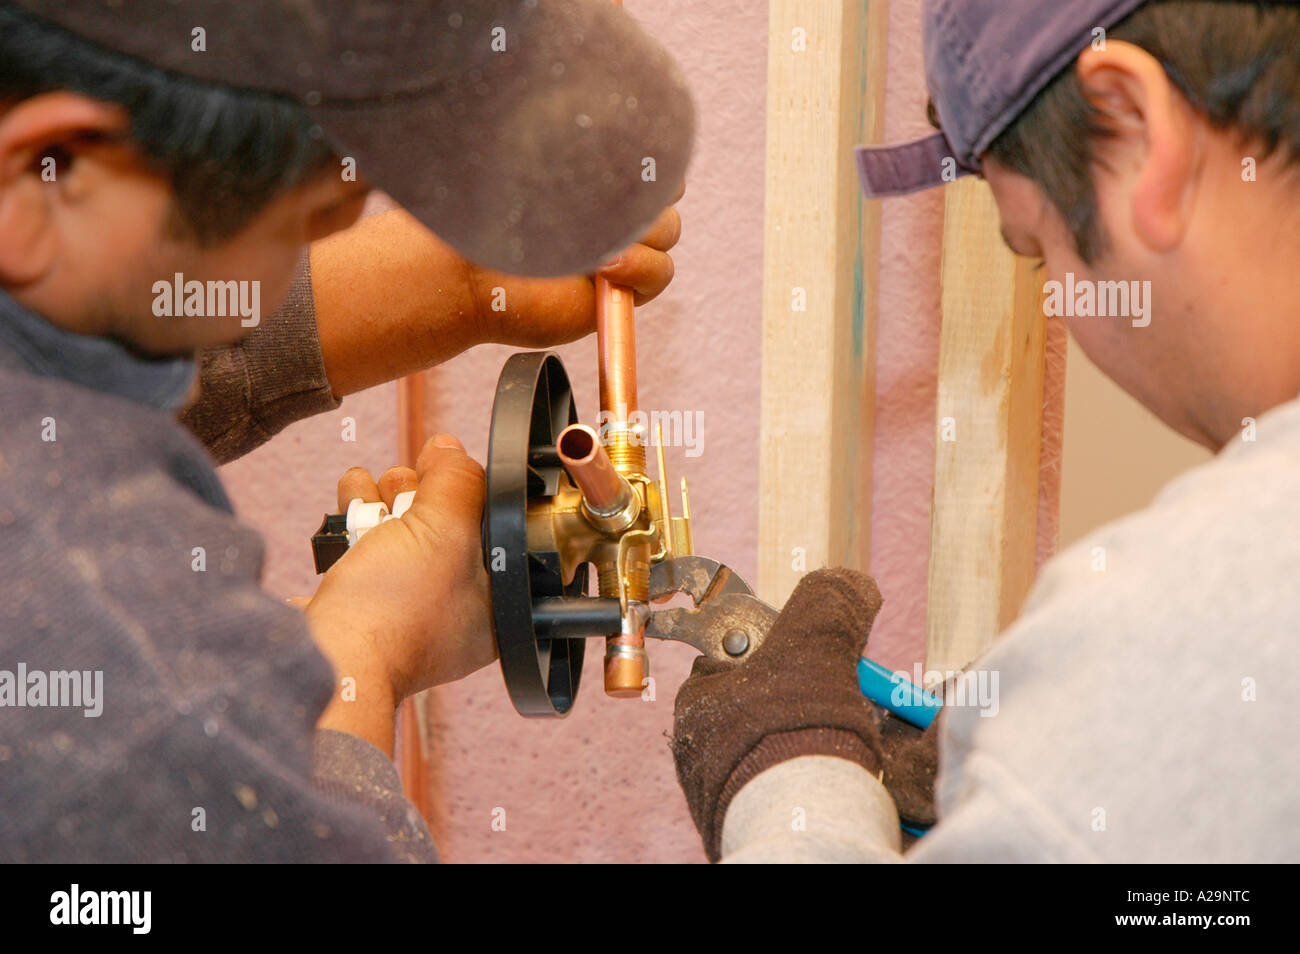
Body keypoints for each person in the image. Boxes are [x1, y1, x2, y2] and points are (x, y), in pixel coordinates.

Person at [0, 0, 690, 862]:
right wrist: (361, 649)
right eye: (307, 219)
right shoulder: (117, 660)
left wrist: (465, 285)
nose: (305, 255)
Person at [671, 0, 1298, 863]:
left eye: (1037, 248)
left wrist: (788, 775)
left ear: (1136, 126)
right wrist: (1036, 764)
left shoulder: (1183, 624)